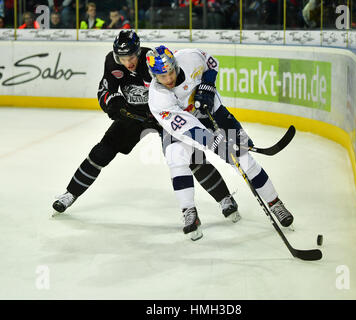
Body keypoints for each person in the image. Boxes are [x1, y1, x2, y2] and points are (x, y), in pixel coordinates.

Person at [52, 30, 240, 240]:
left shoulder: (152, 61)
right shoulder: (112, 63)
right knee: (102, 151)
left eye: (131, 57)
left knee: (193, 158)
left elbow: (171, 88)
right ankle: (70, 193)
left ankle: (225, 199)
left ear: (138, 52)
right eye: (123, 58)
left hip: (163, 117)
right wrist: (114, 103)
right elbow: (105, 90)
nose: (128, 62)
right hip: (133, 116)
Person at [145, 45, 294, 240]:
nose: (169, 78)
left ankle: (275, 203)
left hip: (212, 113)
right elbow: (187, 129)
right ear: (154, 76)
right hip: (185, 127)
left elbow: (211, 62)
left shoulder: (189, 57)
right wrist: (215, 143)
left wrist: (207, 85)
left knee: (243, 158)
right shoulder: (158, 98)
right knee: (176, 157)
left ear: (175, 64)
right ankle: (189, 212)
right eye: (163, 77)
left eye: (171, 72)